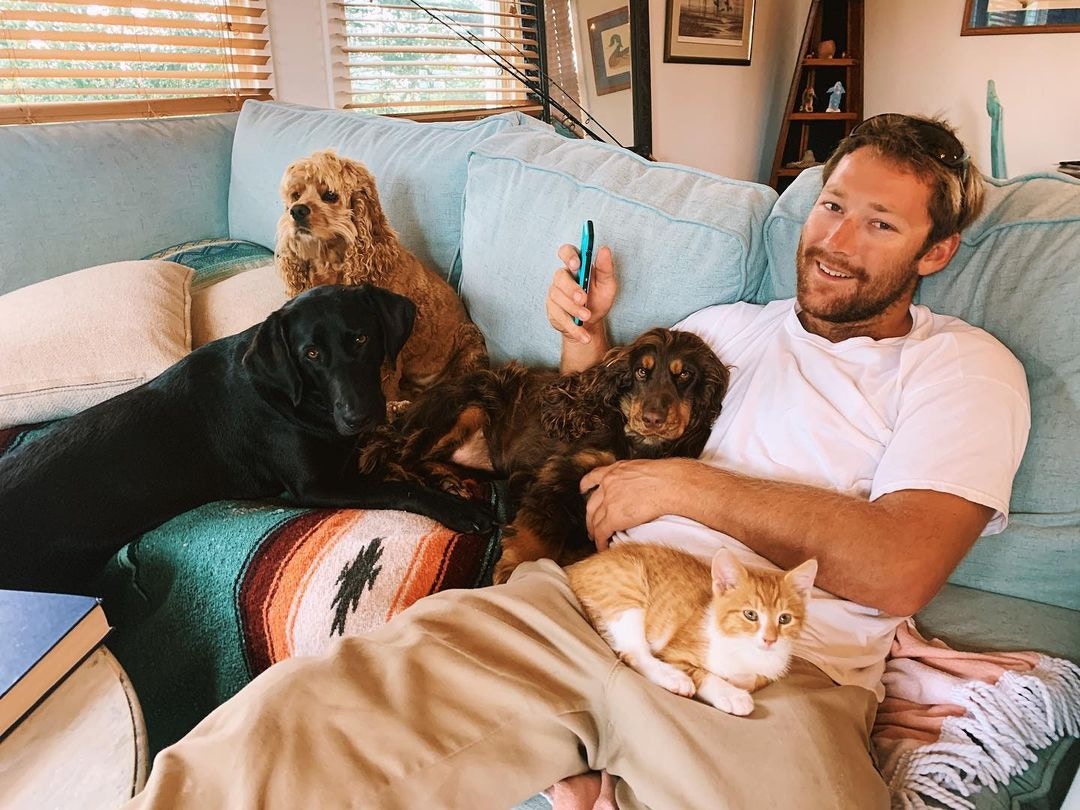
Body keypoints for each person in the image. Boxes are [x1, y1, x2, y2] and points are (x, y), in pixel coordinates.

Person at [125, 114, 1030, 810]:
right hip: (579, 608)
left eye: (880, 223)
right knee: (298, 727)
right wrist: (585, 337)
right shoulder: (725, 329)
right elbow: (590, 415)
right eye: (832, 206)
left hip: (777, 670)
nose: (836, 240)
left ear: (936, 250)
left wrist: (681, 485)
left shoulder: (962, 366)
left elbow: (903, 565)